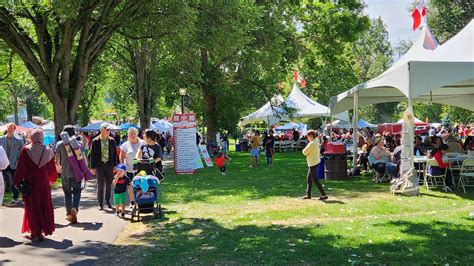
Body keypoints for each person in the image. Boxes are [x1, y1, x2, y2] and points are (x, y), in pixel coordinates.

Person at [13, 129, 57, 242]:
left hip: (30, 183)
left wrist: (17, 181)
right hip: (44, 183)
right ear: (41, 137)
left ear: (31, 137)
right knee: (43, 206)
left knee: (32, 207)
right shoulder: (48, 150)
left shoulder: (26, 150)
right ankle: (42, 231)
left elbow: (21, 168)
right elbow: (52, 169)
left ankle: (34, 231)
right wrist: (53, 179)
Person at [55, 125, 86, 224]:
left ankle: (69, 213)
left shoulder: (59, 144)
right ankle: (75, 209)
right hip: (76, 172)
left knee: (67, 194)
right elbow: (82, 157)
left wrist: (58, 168)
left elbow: (57, 159)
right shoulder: (79, 143)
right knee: (77, 192)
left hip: (65, 172)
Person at [90, 123, 118, 210]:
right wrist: (92, 167)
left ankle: (108, 201)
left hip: (109, 165)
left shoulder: (112, 140)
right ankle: (100, 203)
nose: (109, 131)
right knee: (100, 185)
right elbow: (92, 155)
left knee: (109, 184)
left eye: (109, 130)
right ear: (101, 130)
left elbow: (114, 154)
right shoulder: (95, 141)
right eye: (107, 129)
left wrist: (115, 165)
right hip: (99, 165)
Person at [0, 123, 25, 204]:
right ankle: (2, 198)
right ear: (7, 129)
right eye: (9, 128)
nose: (10, 129)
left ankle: (16, 197)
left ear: (14, 129)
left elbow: (23, 151)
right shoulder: (1, 139)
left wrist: (18, 160)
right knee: (2, 181)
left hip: (14, 164)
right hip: (3, 164)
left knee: (15, 181)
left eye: (12, 128)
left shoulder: (19, 140)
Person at [301, 130, 327, 200]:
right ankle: (308, 194)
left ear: (311, 136)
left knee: (315, 180)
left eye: (308, 136)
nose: (307, 138)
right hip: (315, 161)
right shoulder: (316, 141)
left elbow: (304, 152)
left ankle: (324, 195)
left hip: (313, 162)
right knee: (309, 178)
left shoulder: (312, 143)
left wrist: (307, 147)